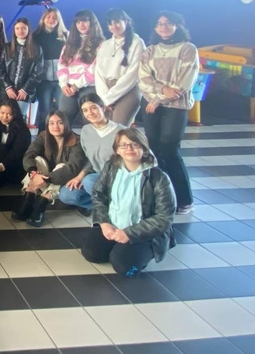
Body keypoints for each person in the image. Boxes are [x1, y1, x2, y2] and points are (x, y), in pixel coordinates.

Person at [81, 128, 176, 277]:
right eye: (123, 145)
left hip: (143, 232)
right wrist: (104, 223)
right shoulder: (111, 167)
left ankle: (141, 255)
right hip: (113, 225)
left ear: (144, 149)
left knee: (125, 269)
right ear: (117, 150)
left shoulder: (159, 177)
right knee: (91, 253)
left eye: (134, 144)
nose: (129, 149)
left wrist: (129, 233)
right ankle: (119, 249)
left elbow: (164, 218)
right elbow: (98, 195)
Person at [139, 10, 199, 214]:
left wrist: (159, 99)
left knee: (170, 149)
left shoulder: (188, 49)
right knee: (154, 150)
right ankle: (162, 198)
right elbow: (144, 78)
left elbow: (184, 81)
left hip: (175, 106)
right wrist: (158, 94)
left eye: (168, 23)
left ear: (177, 26)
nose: (163, 27)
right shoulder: (150, 50)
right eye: (159, 24)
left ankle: (185, 199)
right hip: (150, 105)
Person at [13, 110, 87, 227]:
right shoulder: (43, 136)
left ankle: (41, 206)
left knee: (61, 166)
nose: (55, 126)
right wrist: (34, 174)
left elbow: (73, 167)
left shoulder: (76, 140)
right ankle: (28, 198)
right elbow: (29, 155)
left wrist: (46, 179)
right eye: (51, 123)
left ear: (66, 124)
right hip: (44, 173)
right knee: (37, 160)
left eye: (60, 123)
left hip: (63, 177)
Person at [58, 93, 123, 213]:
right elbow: (89, 159)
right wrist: (80, 176)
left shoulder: (122, 132)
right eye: (85, 110)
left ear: (103, 108)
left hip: (118, 177)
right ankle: (102, 205)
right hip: (96, 175)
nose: (90, 113)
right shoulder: (86, 131)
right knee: (66, 195)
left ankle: (116, 210)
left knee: (90, 182)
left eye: (94, 107)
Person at [96, 8, 146, 126]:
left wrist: (110, 98)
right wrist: (104, 97)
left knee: (118, 129)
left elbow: (133, 74)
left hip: (127, 90)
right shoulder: (105, 44)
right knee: (104, 129)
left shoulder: (137, 43)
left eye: (117, 22)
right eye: (110, 23)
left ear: (126, 21)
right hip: (105, 90)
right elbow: (98, 71)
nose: (114, 26)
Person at [57, 9, 105, 126]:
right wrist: (63, 84)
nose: (81, 25)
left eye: (84, 21)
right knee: (62, 120)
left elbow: (95, 69)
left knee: (89, 121)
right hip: (69, 88)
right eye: (78, 22)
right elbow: (62, 65)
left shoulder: (101, 44)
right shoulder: (70, 43)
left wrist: (76, 86)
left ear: (92, 23)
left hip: (89, 86)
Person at [0, 17, 44, 117]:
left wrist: (25, 89)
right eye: (17, 28)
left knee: (19, 119)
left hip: (24, 92)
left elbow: (38, 72)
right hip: (6, 91)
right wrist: (8, 87)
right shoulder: (7, 47)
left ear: (28, 30)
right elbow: (0, 69)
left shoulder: (37, 49)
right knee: (4, 118)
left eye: (23, 28)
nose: (20, 31)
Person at [33, 8, 68, 132]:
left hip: (61, 81)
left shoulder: (65, 36)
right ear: (43, 19)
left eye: (54, 17)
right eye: (48, 17)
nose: (51, 20)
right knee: (44, 111)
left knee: (61, 111)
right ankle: (43, 137)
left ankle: (61, 138)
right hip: (44, 81)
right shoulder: (35, 36)